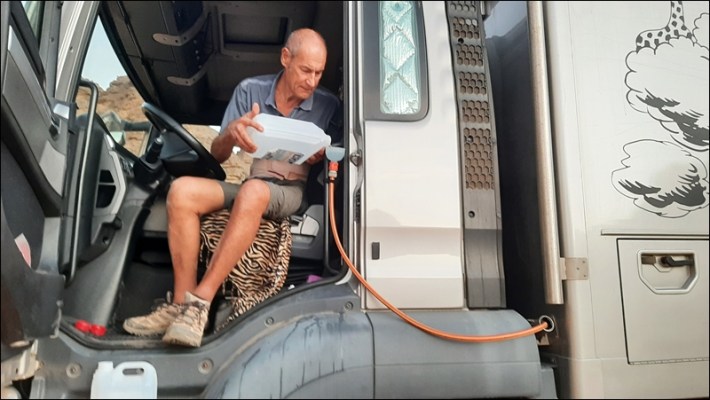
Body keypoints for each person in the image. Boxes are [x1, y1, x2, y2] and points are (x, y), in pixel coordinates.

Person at [123, 28, 342, 347]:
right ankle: (180, 305)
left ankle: (200, 303)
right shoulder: (250, 90)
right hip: (254, 182)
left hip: (291, 190)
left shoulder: (329, 105)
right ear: (285, 58)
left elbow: (340, 159)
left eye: (318, 73)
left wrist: (323, 155)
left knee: (253, 192)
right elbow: (218, 154)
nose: (312, 81)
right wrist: (231, 133)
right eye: (306, 70)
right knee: (182, 191)